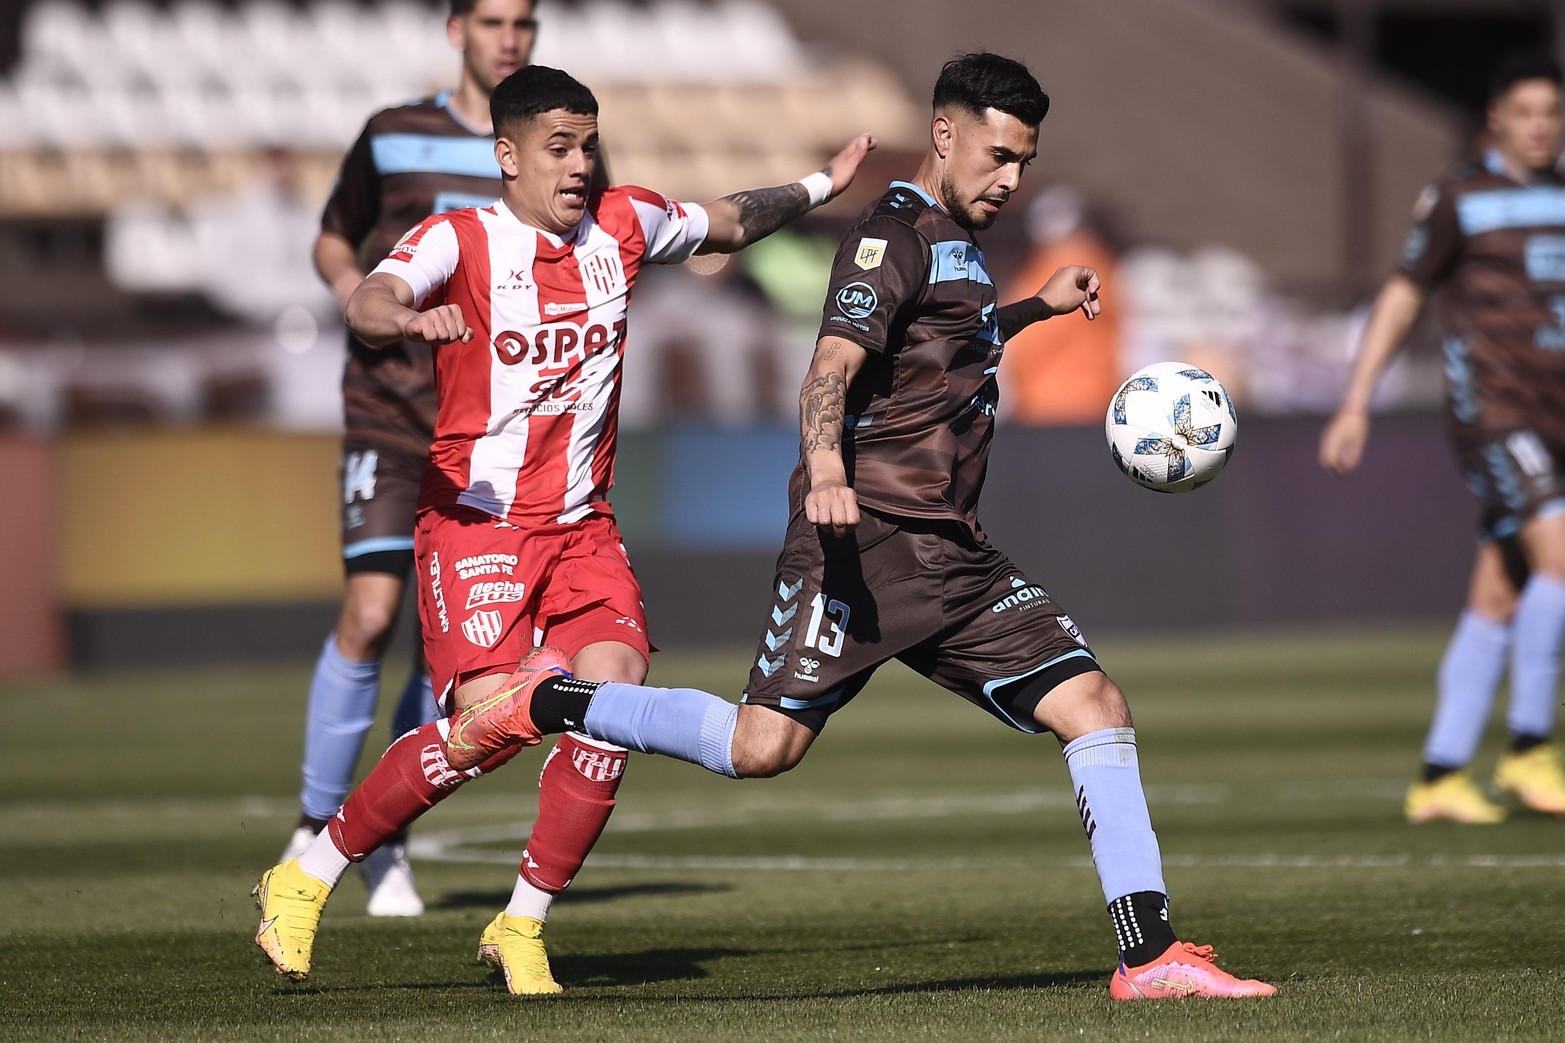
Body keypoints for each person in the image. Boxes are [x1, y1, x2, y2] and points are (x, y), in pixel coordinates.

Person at [260, 53, 1274, 1001]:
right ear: (945, 134)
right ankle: (366, 832)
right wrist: (827, 468)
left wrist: (1026, 309)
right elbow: (832, 364)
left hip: (937, 551)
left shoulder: (945, 248)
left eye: (1024, 161)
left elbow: (859, 297)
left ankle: (1146, 953)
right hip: (849, 543)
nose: (1010, 177)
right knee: (758, 746)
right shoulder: (895, 235)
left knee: (1092, 700)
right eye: (998, 154)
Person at [253, 63, 876, 993]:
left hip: (583, 527)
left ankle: (523, 921)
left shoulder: (623, 225)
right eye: (559, 147)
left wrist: (822, 183)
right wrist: (404, 320)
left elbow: (730, 218)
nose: (580, 163)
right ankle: (309, 872)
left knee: (613, 693)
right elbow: (366, 297)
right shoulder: (457, 239)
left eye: (587, 143)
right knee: (488, 723)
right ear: (507, 157)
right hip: (476, 526)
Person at [279, 0, 566, 919]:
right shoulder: (393, 134)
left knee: (441, 647)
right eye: (490, 20)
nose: (507, 36)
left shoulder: (552, 139)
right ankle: (314, 820)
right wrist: (360, 297)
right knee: (370, 609)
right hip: (392, 410)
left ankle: (383, 835)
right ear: (457, 31)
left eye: (521, 20)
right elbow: (335, 233)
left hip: (492, 430)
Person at [1320, 50, 1565, 824]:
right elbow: (1401, 296)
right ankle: (1530, 751)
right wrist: (1356, 401)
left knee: (1503, 587)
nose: (1539, 126)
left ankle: (1440, 774)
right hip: (1494, 413)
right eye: (1525, 112)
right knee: (1560, 558)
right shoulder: (1460, 198)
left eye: (1551, 113)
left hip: (1556, 417)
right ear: (1495, 117)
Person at [1001, 185, 1122, 424]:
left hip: (1051, 408)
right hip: (1095, 403)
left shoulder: (1051, 272)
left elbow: (1020, 338)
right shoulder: (1104, 266)